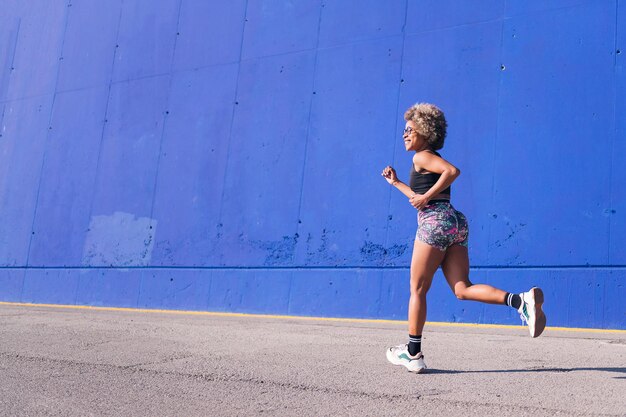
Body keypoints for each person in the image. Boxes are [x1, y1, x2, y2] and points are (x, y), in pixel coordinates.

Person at [381, 103, 546, 374]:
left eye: (410, 129)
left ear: (425, 131)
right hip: (455, 224)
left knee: (418, 289)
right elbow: (419, 200)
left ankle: (412, 354)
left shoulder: (421, 156)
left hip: (435, 224)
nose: (404, 134)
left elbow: (452, 172)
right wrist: (397, 183)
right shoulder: (422, 162)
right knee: (462, 289)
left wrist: (425, 196)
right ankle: (521, 301)